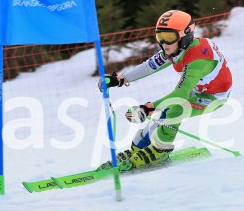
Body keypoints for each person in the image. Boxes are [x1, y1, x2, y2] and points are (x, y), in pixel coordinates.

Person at [98, 9, 232, 168]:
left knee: (176, 109)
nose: (164, 43)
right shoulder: (177, 48)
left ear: (186, 34)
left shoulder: (199, 58)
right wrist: (121, 79)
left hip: (214, 97)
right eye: (160, 37)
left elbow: (180, 94)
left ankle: (160, 152)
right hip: (196, 89)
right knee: (165, 111)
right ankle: (139, 147)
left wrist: (148, 108)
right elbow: (150, 66)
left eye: (169, 37)